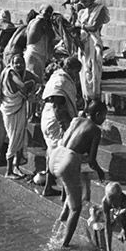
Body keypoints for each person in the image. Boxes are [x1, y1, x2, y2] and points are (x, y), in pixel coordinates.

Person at [50, 100, 107, 248]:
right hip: (68, 161)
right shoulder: (96, 130)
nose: (105, 120)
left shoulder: (76, 119)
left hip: (55, 155)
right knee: (77, 208)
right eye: (104, 116)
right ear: (98, 114)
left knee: (72, 192)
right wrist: (100, 172)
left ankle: (62, 220)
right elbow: (92, 161)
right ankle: (64, 245)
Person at [39, 56, 82, 195]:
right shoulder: (61, 80)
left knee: (52, 151)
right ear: (69, 68)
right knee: (61, 153)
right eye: (76, 71)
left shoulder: (58, 76)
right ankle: (64, 191)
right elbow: (58, 106)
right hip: (55, 119)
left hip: (48, 116)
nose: (76, 75)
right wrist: (66, 126)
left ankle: (49, 185)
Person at [0, 54, 40, 179]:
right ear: (11, 64)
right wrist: (31, 83)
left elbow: (37, 80)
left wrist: (36, 82)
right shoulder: (10, 73)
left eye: (21, 62)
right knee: (14, 138)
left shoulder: (23, 73)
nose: (19, 65)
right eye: (16, 63)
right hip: (10, 109)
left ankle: (16, 167)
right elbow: (22, 85)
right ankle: (8, 171)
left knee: (20, 136)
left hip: (19, 108)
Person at [76, 0, 109, 102]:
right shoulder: (82, 12)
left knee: (94, 72)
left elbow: (94, 27)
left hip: (94, 44)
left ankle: (95, 101)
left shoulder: (101, 9)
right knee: (84, 73)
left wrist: (81, 26)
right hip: (83, 44)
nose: (83, 4)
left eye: (85, 1)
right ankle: (86, 101)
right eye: (81, 2)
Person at [24, 4, 55, 84]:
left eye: (50, 13)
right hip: (35, 55)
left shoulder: (33, 21)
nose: (48, 14)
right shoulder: (41, 21)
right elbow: (52, 36)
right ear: (40, 11)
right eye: (46, 12)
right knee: (36, 82)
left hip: (33, 53)